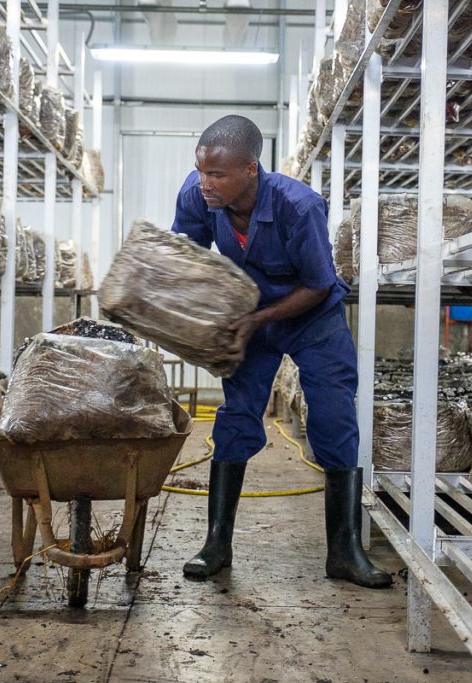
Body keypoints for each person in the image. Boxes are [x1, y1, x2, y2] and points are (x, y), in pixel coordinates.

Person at [171, 115, 391, 589]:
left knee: (334, 419)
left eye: (218, 175)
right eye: (202, 171)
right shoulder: (197, 195)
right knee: (236, 418)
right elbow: (188, 253)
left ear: (251, 169)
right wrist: (198, 314)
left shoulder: (299, 206)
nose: (205, 183)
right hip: (248, 312)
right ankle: (216, 543)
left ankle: (345, 551)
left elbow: (317, 284)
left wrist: (256, 320)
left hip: (312, 318)